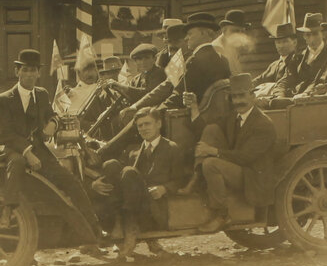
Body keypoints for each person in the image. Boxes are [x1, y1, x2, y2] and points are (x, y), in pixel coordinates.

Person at [0, 49, 101, 239]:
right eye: (25, 70)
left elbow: (51, 114)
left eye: (33, 70)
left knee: (70, 181)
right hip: (13, 149)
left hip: (39, 149)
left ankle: (94, 226)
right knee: (17, 163)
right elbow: (5, 134)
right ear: (17, 71)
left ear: (38, 73)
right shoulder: (3, 99)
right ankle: (7, 211)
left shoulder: (41, 95)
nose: (29, 74)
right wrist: (27, 152)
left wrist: (53, 123)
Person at [96, 12, 230, 161]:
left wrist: (153, 111)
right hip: (204, 119)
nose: (186, 38)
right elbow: (169, 86)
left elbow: (176, 95)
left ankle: (102, 154)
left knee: (141, 118)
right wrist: (139, 106)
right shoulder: (222, 59)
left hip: (183, 118)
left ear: (205, 33)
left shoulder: (195, 60)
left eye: (190, 34)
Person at [93, 107, 185, 257]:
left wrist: (164, 188)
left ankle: (130, 229)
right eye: (140, 125)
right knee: (111, 165)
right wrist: (96, 183)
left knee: (129, 172)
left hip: (154, 211)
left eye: (147, 124)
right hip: (133, 207)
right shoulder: (133, 150)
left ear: (159, 124)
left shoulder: (171, 148)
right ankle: (119, 222)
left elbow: (180, 180)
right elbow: (118, 177)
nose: (143, 128)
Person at [193, 74, 277, 233]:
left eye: (242, 96)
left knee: (210, 164)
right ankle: (196, 177)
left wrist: (213, 151)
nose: (238, 101)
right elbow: (205, 129)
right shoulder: (233, 117)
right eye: (234, 97)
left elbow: (245, 157)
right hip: (238, 167)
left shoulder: (263, 124)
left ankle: (222, 214)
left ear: (253, 96)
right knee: (211, 130)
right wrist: (193, 108)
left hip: (252, 176)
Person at [272, 12, 327, 99]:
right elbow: (285, 80)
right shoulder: (298, 57)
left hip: (317, 100)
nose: (311, 39)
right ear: (304, 36)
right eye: (308, 35)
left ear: (323, 34)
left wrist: (307, 94)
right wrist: (279, 95)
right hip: (295, 100)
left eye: (315, 34)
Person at [253, 22, 300, 91]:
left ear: (294, 42)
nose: (281, 46)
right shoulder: (273, 65)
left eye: (285, 41)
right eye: (278, 42)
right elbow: (259, 80)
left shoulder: (298, 61)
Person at [214, 9, 253, 74]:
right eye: (235, 31)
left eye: (242, 31)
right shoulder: (217, 48)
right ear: (224, 30)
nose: (239, 35)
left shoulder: (232, 47)